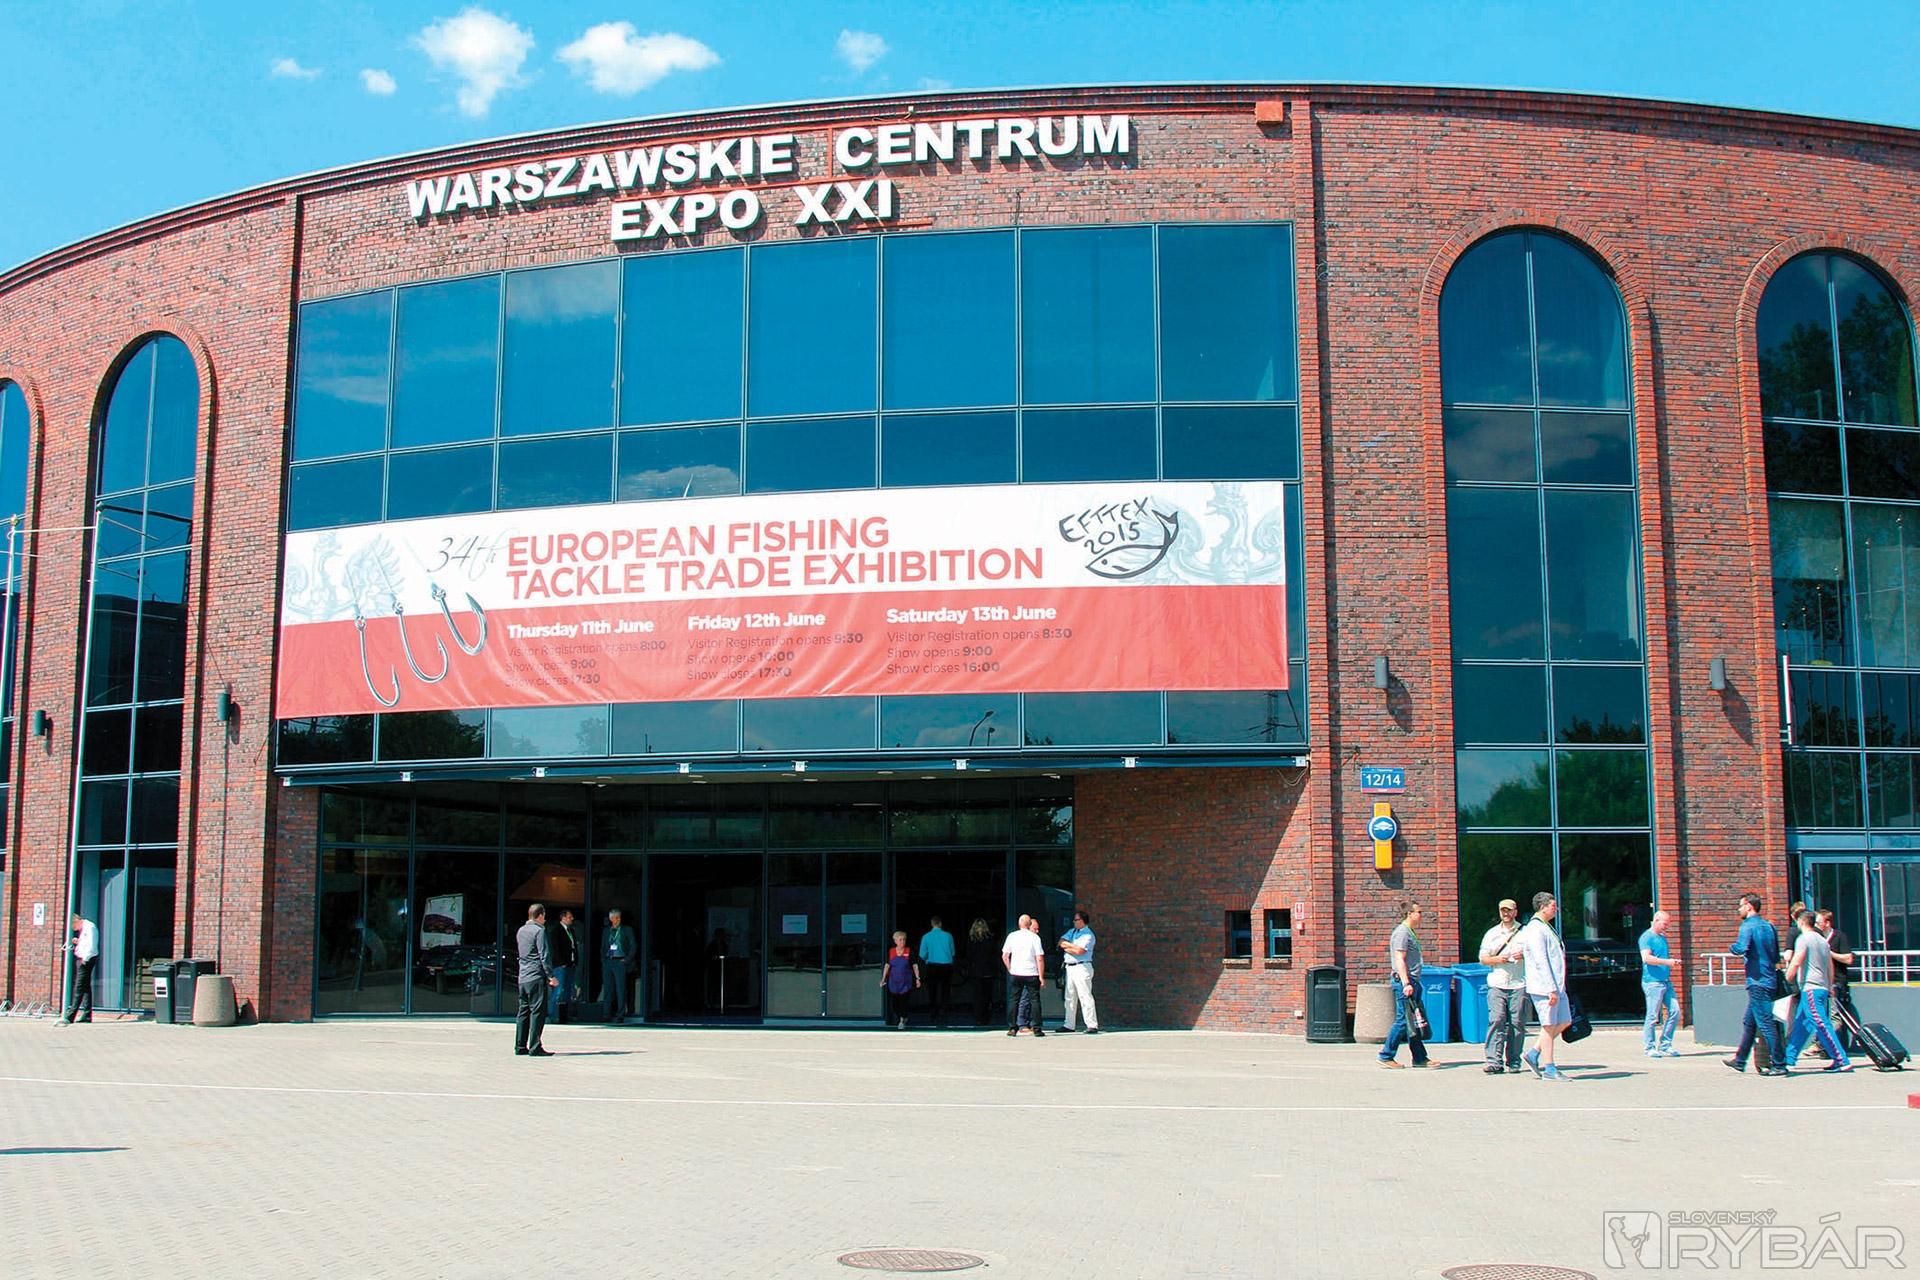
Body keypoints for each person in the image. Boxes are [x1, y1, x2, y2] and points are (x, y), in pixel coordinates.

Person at [1724, 892, 1787, 1076]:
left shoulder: (1747, 926)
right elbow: (1775, 955)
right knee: (1749, 1021)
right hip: (1769, 979)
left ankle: (1779, 1064)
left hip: (1757, 981)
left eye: (1741, 906)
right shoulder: (1769, 926)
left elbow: (1741, 948)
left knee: (1766, 1024)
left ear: (1749, 906)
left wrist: (1732, 948)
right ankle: (1740, 1060)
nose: (1739, 909)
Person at [1783, 910, 1852, 1072]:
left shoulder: (1804, 939)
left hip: (1811, 988)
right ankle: (1789, 1059)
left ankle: (1841, 1059)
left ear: (1801, 922)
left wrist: (1786, 979)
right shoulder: (1822, 941)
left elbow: (1796, 961)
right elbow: (1830, 966)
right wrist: (1829, 986)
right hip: (1820, 987)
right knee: (1802, 1024)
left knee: (1821, 1023)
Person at [1518, 891, 1572, 1080]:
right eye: (1552, 906)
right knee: (1548, 1026)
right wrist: (1550, 988)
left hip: (1557, 985)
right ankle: (1549, 1068)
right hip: (1545, 987)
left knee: (1565, 1021)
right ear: (1542, 907)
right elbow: (1541, 960)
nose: (1555, 909)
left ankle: (1533, 1052)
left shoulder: (1546, 927)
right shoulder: (1535, 929)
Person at [1476, 899, 1527, 1073]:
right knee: (1496, 1019)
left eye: (1509, 910)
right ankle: (1494, 1061)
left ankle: (1513, 1060)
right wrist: (1497, 959)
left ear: (1515, 912)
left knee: (1517, 1023)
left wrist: (1523, 955)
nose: (1505, 913)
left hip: (1519, 983)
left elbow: (1536, 954)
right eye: (1502, 910)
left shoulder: (1525, 932)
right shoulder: (1492, 933)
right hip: (1497, 983)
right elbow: (1483, 959)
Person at [1378, 901, 1428, 1068]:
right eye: (1419, 912)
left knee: (1413, 1020)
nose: (1421, 915)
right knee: (1403, 1020)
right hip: (1405, 982)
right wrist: (1406, 983)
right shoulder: (1402, 933)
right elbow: (1399, 959)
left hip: (1412, 981)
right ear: (1409, 914)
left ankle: (1419, 1058)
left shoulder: (1409, 932)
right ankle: (1386, 1055)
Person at [514, 903, 557, 1057]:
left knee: (523, 1011)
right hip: (536, 976)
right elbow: (544, 955)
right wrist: (551, 976)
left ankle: (520, 1046)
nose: (545, 919)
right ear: (540, 915)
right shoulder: (539, 931)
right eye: (544, 916)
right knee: (538, 1012)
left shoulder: (521, 930)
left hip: (523, 977)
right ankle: (535, 1046)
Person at [1638, 909, 1680, 1059]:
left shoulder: (1662, 938)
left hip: (1665, 981)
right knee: (1652, 1015)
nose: (1666, 927)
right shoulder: (1646, 937)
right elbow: (1646, 958)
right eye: (1665, 924)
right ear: (1656, 920)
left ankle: (1665, 1045)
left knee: (1675, 1011)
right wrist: (1667, 962)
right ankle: (1649, 1047)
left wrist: (1671, 962)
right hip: (1652, 982)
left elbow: (1661, 957)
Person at [1815, 907, 1859, 1044]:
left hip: (1837, 982)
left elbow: (1848, 959)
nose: (1816, 926)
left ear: (1827, 923)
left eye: (1818, 923)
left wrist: (1830, 953)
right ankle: (1821, 1044)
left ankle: (1832, 1045)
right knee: (1820, 1015)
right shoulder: (1816, 938)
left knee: (1835, 1016)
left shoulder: (1839, 937)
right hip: (1821, 983)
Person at [1002, 913, 1046, 1037]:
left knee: (1014, 1000)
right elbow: (1039, 958)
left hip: (1016, 972)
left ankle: (1012, 1028)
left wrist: (1010, 969)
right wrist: (1041, 976)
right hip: (1032, 973)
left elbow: (1005, 955)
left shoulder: (1012, 936)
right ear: (1029, 924)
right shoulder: (1034, 938)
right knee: (1035, 1000)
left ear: (1019, 924)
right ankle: (1037, 1028)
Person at [1058, 907, 1100, 1033]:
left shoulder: (1088, 935)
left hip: (1082, 967)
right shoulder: (1072, 931)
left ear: (1082, 921)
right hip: (1070, 967)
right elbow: (1061, 942)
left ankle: (1092, 1025)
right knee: (1069, 996)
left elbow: (1080, 951)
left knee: (1085, 995)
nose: (1074, 922)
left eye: (1076, 920)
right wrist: (1071, 947)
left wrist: (1068, 947)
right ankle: (1069, 1024)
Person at [59, 913, 99, 1026]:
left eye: (74, 927)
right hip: (84, 958)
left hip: (86, 960)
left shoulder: (89, 927)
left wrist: (85, 959)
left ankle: (71, 1015)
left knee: (79, 987)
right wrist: (79, 941)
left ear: (76, 922)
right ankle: (86, 1014)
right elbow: (86, 943)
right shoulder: (85, 928)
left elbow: (92, 945)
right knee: (85, 987)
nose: (74, 929)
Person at [919, 916, 956, 1027]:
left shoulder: (926, 937)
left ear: (932, 924)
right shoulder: (948, 936)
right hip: (946, 965)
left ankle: (933, 1013)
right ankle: (944, 1012)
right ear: (940, 924)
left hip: (932, 965)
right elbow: (953, 952)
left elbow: (922, 954)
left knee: (932, 990)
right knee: (945, 990)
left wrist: (927, 959)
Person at [601, 907, 636, 1023]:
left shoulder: (627, 930)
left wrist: (627, 959)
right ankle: (606, 1014)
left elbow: (633, 946)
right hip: (609, 961)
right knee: (608, 989)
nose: (618, 920)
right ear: (611, 919)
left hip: (620, 961)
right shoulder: (606, 931)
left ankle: (620, 1014)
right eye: (615, 918)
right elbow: (603, 946)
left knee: (620, 989)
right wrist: (603, 960)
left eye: (619, 918)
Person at [879, 931, 921, 1028]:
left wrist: (917, 978)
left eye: (904, 939)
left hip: (906, 982)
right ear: (895, 941)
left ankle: (902, 1020)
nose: (902, 941)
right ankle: (902, 1016)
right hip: (893, 982)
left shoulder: (909, 951)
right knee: (895, 1005)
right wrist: (883, 979)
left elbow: (914, 965)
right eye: (900, 940)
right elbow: (887, 965)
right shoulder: (891, 952)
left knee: (903, 1002)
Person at [964, 917, 998, 1025]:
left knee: (977, 996)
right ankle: (986, 1017)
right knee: (987, 995)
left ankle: (978, 1017)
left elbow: (968, 956)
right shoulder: (990, 939)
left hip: (976, 971)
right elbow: (994, 954)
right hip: (988, 971)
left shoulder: (971, 940)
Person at [547, 908, 579, 1021]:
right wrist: (561, 962)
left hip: (571, 964)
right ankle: (553, 1014)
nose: (572, 919)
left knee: (568, 990)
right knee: (558, 990)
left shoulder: (571, 931)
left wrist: (575, 961)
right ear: (563, 918)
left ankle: (565, 1015)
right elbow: (555, 948)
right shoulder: (556, 931)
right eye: (569, 917)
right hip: (561, 965)